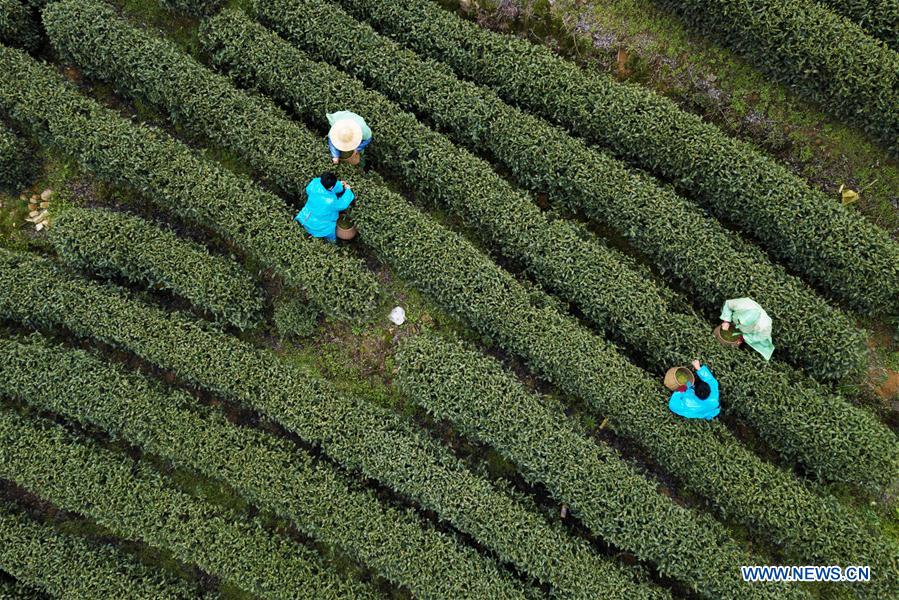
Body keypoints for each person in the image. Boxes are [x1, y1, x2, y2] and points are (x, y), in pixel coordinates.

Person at [295, 172, 355, 242]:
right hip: (321, 225)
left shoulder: (315, 182)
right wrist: (348, 190)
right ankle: (332, 244)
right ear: (331, 187)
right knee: (330, 235)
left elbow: (308, 190)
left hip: (305, 217)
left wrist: (340, 184)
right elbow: (342, 204)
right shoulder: (330, 201)